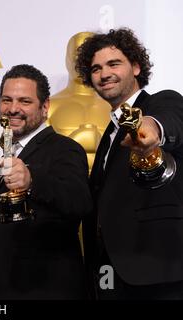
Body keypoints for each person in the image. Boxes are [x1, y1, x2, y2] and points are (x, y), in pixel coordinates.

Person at [75, 28, 183, 299]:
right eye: (96, 68)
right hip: (111, 274)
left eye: (114, 64)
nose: (104, 74)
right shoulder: (109, 134)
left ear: (135, 67)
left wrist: (152, 129)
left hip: (159, 269)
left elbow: (169, 120)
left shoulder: (162, 101)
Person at [0, 64, 92, 299]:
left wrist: (31, 181)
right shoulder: (1, 154)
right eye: (6, 100)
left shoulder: (65, 148)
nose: (13, 109)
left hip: (46, 289)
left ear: (45, 107)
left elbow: (79, 201)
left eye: (24, 101)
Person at [48, 32, 111, 172]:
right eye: (78, 54)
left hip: (107, 188)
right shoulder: (49, 106)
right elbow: (37, 156)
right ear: (67, 59)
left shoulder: (115, 107)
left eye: (89, 56)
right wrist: (74, 142)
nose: (83, 61)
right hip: (62, 187)